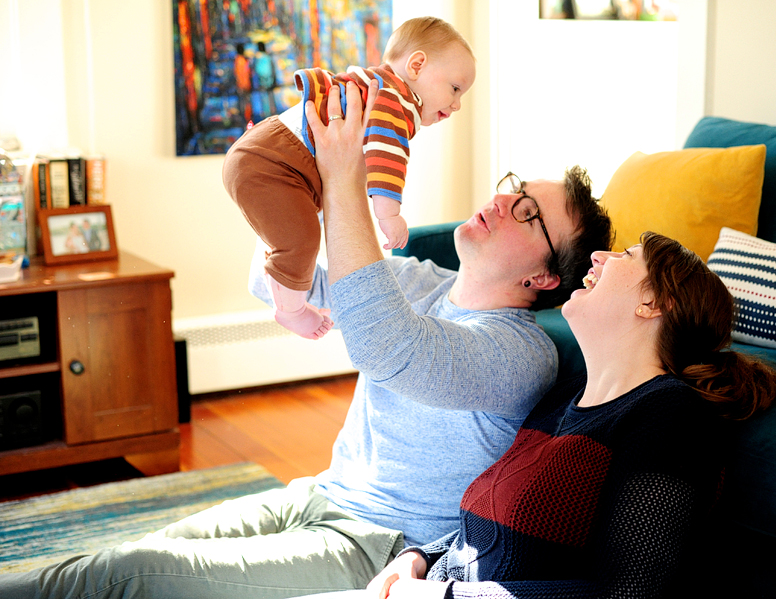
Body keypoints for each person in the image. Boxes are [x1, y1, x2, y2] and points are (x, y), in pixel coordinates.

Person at [0, 73, 614, 599]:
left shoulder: (522, 353)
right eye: (516, 190)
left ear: (544, 275)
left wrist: (346, 173)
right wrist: (296, 167)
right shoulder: (424, 282)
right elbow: (270, 281)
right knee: (135, 556)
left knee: (128, 576)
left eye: (530, 214)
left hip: (377, 543)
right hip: (314, 495)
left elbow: (389, 348)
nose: (505, 202)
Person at [358, 231, 776, 599]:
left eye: (627, 256)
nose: (600, 256)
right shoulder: (560, 401)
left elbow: (627, 591)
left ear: (654, 303)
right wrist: (418, 557)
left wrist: (442, 595)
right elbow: (493, 529)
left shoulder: (671, 417)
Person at [223, 16, 477, 340]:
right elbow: (387, 159)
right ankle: (291, 310)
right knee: (301, 239)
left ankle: (279, 278)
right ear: (416, 65)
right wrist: (390, 215)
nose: (456, 105)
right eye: (455, 89)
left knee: (300, 231)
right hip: (277, 161)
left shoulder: (374, 85)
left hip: (267, 149)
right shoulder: (393, 101)